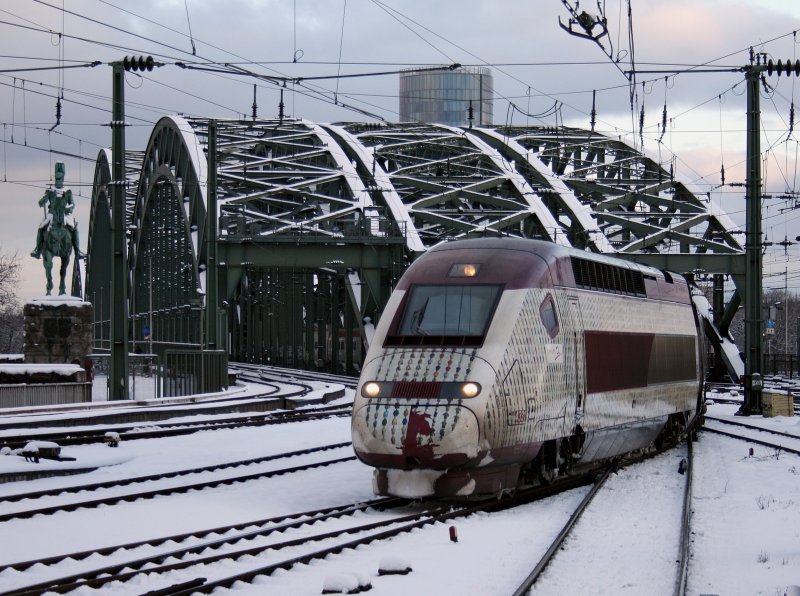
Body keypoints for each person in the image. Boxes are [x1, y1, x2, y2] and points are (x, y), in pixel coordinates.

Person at [31, 162, 79, 259]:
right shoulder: (50, 190)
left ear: (63, 179)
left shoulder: (68, 191)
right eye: (57, 179)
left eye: (60, 179)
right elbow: (44, 198)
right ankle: (37, 250)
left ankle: (78, 251)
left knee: (75, 230)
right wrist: (42, 201)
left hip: (65, 214)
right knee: (41, 228)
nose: (58, 181)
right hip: (51, 214)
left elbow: (72, 204)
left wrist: (69, 208)